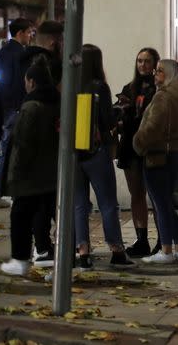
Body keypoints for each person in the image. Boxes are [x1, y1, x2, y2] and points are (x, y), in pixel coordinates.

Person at [74, 45, 135, 270]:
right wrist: (119, 111)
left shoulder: (70, 86)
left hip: (74, 152)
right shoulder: (99, 86)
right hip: (96, 151)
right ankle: (117, 251)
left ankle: (83, 252)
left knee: (79, 204)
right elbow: (108, 122)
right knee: (108, 203)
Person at [0, 63, 59, 276]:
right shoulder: (57, 101)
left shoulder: (31, 106)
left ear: (31, 82)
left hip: (30, 175)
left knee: (20, 217)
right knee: (57, 217)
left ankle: (20, 258)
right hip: (52, 172)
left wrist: (14, 175)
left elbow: (22, 144)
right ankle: (63, 263)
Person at [134, 59, 178, 264]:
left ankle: (167, 250)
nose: (155, 74)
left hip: (157, 154)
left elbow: (151, 128)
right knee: (167, 203)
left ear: (168, 75)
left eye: (159, 71)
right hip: (177, 153)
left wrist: (138, 143)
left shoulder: (163, 97)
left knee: (161, 204)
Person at [117, 48, 161, 257]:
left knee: (157, 194)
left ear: (155, 64)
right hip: (130, 144)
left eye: (147, 61)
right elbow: (119, 114)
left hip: (152, 145)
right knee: (137, 194)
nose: (143, 65)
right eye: (139, 61)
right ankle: (141, 239)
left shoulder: (160, 88)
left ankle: (164, 239)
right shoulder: (129, 88)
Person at [0, 17, 34, 209]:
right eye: (29, 32)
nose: (31, 36)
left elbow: (3, 84)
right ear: (21, 33)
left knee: (7, 150)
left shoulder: (2, 53)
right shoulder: (22, 54)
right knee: (15, 150)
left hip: (6, 108)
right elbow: (23, 84)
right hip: (19, 107)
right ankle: (3, 192)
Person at [20, 20, 63, 86]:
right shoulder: (53, 65)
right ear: (52, 43)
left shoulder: (22, 59)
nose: (63, 46)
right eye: (61, 40)